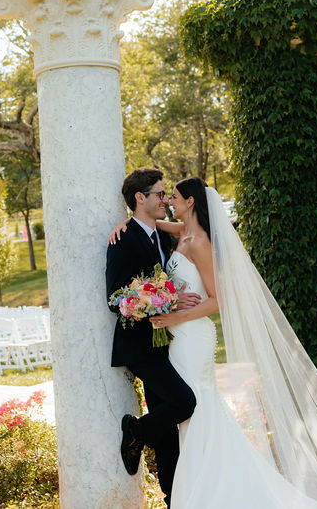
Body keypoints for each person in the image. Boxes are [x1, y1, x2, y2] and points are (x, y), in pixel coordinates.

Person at [112, 176, 317, 508]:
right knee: (195, 415)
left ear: (191, 201)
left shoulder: (198, 242)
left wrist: (172, 317)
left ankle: (203, 493)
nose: (169, 202)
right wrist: (126, 223)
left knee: (196, 411)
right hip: (178, 339)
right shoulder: (183, 234)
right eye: (165, 197)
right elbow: (155, 225)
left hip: (191, 337)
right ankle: (195, 491)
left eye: (174, 197)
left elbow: (219, 299)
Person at [106, 167, 201, 508]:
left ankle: (173, 499)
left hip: (167, 342)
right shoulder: (122, 240)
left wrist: (175, 297)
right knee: (184, 402)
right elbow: (114, 298)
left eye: (166, 194)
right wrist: (162, 300)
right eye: (160, 194)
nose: (164, 199)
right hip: (140, 346)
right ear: (139, 198)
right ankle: (134, 432)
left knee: (167, 431)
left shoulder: (162, 236)